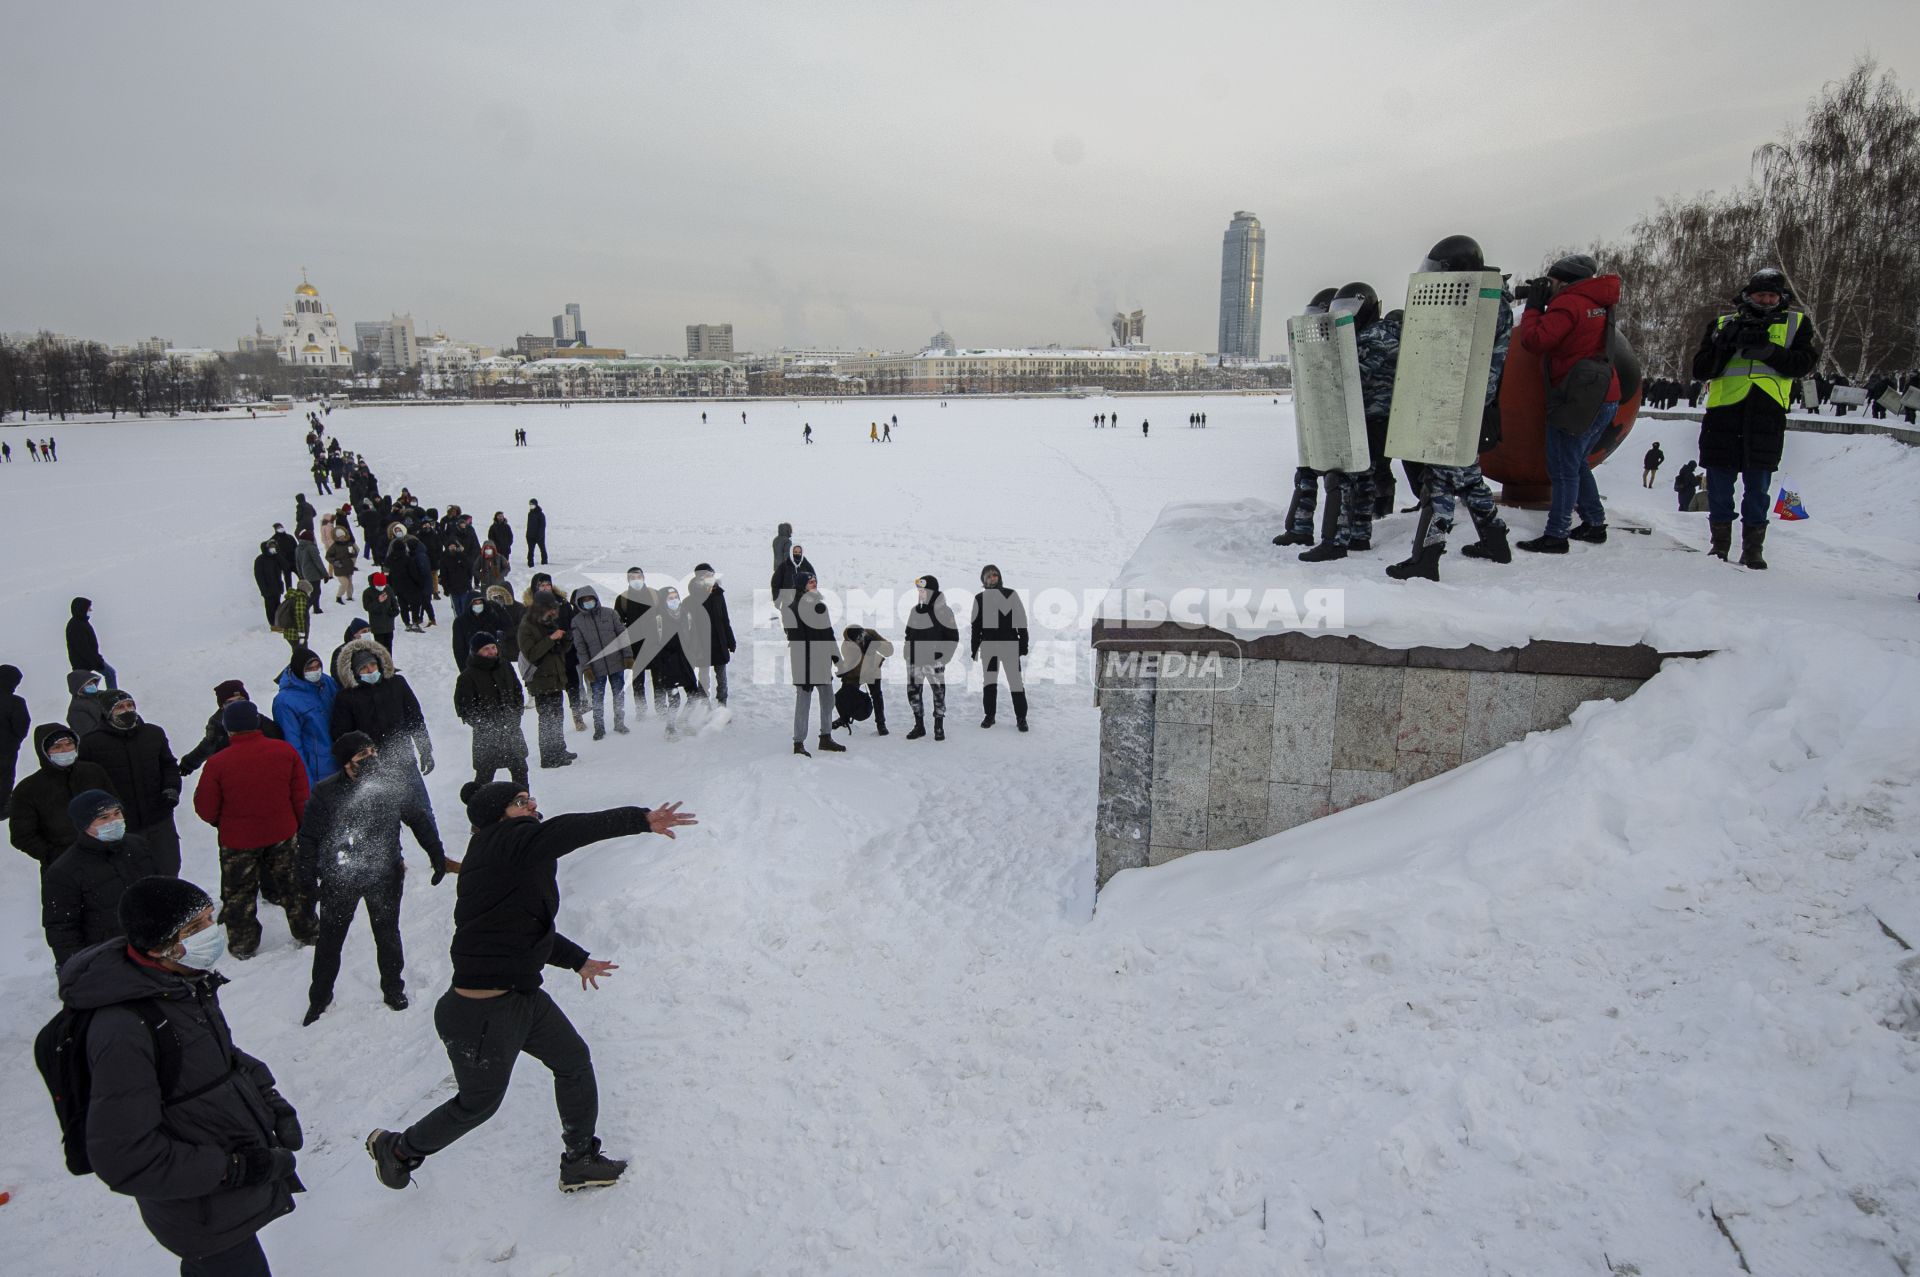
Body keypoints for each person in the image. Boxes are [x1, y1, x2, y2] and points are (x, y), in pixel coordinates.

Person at [365, 783, 697, 1194]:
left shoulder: (503, 859)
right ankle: (398, 1149)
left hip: (521, 997)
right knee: (477, 1104)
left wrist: (577, 959)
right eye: (520, 802)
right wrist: (639, 819)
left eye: (529, 798)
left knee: (573, 1061)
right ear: (499, 817)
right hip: (481, 1015)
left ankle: (579, 1160)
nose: (532, 804)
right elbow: (565, 831)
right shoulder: (506, 841)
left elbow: (523, 929)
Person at [58, 875, 302, 1275]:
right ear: (158, 946)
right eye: (194, 928)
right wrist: (237, 1169)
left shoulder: (179, 982)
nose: (212, 932)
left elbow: (219, 1058)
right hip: (199, 1208)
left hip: (220, 1198)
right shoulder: (123, 1029)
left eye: (209, 918)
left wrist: (272, 1100)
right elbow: (125, 1158)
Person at [299, 732, 452, 1024]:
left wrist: (436, 854)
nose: (371, 758)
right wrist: (307, 882)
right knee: (330, 941)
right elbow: (308, 838)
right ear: (347, 763)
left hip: (385, 874)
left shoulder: (391, 783)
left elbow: (417, 819)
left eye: (373, 751)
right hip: (340, 878)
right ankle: (319, 998)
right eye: (362, 756)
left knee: (387, 934)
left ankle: (393, 988)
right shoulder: (326, 792)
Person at [1390, 236, 1518, 579]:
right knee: (1468, 476)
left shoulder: (1482, 302)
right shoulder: (1486, 299)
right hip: (1466, 399)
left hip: (1462, 400)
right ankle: (1495, 540)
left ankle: (1426, 558)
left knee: (1441, 477)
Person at [1691, 267, 1821, 568]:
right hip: (1724, 414)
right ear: (1748, 295)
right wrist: (1724, 347)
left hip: (1765, 416)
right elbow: (1700, 369)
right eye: (1760, 294)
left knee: (1757, 489)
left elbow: (1803, 363)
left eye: (1771, 295)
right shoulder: (1722, 323)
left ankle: (1753, 550)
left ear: (1781, 297)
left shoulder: (1796, 323)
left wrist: (1767, 351)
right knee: (1720, 486)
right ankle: (1719, 546)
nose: (1765, 300)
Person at [192, 702, 317, 960]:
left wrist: (223, 822)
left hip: (238, 840)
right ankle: (308, 930)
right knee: (293, 885)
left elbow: (205, 807)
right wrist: (296, 823)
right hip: (281, 832)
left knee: (239, 893)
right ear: (258, 722)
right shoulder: (284, 751)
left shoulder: (217, 763)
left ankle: (243, 943)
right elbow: (301, 795)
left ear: (228, 729)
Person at [1514, 252, 1620, 555]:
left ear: (1563, 280)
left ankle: (1556, 534)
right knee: (1576, 462)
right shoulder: (1598, 301)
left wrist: (1534, 307)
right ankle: (1594, 523)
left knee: (1562, 467)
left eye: (1551, 280)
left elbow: (1535, 341)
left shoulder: (1569, 303)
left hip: (1576, 398)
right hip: (1604, 392)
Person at [1299, 283, 1390, 562]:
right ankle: (1359, 536)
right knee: (1363, 479)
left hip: (1369, 418)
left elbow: (1349, 376)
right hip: (1373, 419)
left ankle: (1335, 541)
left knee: (1344, 478)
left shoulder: (1372, 339)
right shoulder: (1373, 335)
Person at [42, 790, 164, 968]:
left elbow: (161, 891)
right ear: (84, 825)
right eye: (104, 818)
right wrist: (78, 970)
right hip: (109, 960)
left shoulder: (138, 846)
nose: (114, 821)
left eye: (117, 813)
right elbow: (62, 930)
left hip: (156, 949)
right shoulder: (64, 872)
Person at [79, 690, 182, 876]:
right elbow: (89, 783)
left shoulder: (153, 733)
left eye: (129, 705)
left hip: (159, 817)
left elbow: (169, 765)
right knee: (132, 876)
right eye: (119, 707)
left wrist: (171, 789)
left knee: (169, 868)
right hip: (122, 824)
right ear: (107, 712)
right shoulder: (91, 743)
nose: (127, 710)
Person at [1273, 287, 1342, 549]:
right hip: (1324, 422)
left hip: (1352, 428)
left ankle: (1342, 538)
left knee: (1339, 481)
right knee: (1306, 471)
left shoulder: (1352, 346)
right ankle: (1299, 529)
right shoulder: (1320, 349)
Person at [11, 724, 116, 873]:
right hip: (63, 867)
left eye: (69, 744)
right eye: (57, 747)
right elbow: (22, 836)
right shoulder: (28, 789)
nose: (65, 750)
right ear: (45, 752)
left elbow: (116, 806)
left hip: (107, 855)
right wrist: (53, 855)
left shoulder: (94, 772)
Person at [330, 640, 434, 783]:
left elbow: (415, 719)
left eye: (373, 665)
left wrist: (425, 749)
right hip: (371, 767)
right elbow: (343, 735)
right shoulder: (347, 697)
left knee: (421, 805)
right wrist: (353, 763)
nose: (370, 670)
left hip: (404, 759)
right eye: (364, 668)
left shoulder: (397, 683)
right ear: (355, 672)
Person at [454, 634, 530, 789]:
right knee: (484, 776)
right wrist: (485, 725)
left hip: (511, 731)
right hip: (486, 737)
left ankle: (525, 806)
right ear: (476, 652)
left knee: (521, 771)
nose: (491, 652)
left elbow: (517, 692)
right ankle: (480, 808)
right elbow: (464, 709)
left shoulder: (506, 666)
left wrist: (515, 715)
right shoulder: (466, 677)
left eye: (493, 647)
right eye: (486, 649)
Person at [783, 573, 843, 756]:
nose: (814, 583)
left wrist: (837, 659)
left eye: (815, 581)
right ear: (802, 585)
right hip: (804, 664)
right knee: (803, 703)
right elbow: (797, 642)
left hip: (821, 661)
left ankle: (825, 738)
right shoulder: (792, 608)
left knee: (828, 700)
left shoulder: (820, 606)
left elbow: (828, 635)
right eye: (810, 582)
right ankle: (798, 743)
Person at [517, 592, 576, 769]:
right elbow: (532, 654)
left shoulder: (548, 622)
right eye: (550, 609)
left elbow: (559, 650)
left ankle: (559, 750)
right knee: (547, 720)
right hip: (540, 681)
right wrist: (551, 639)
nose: (553, 612)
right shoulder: (527, 626)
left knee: (557, 717)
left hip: (556, 677)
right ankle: (548, 756)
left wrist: (565, 640)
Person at [969, 564, 1030, 731]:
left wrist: (1023, 644)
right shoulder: (979, 599)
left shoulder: (1011, 594)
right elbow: (976, 626)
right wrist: (974, 649)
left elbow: (1021, 621)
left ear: (999, 576)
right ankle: (989, 716)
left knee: (1016, 683)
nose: (992, 578)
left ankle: (1021, 718)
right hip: (988, 647)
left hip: (1010, 646)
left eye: (994, 575)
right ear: (983, 580)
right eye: (988, 576)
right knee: (989, 683)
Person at [181, 681, 285, 777]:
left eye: (241, 700)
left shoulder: (260, 721)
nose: (237, 706)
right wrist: (189, 763)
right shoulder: (217, 723)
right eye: (230, 703)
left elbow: (280, 745)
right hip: (229, 772)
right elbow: (207, 746)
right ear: (222, 707)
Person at [903, 574, 958, 741]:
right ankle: (919, 726)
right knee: (913, 693)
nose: (921, 594)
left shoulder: (945, 611)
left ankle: (938, 726)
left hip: (934, 662)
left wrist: (943, 658)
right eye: (919, 591)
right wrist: (907, 652)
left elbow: (953, 637)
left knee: (939, 693)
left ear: (932, 591)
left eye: (924, 591)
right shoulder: (915, 610)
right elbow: (908, 633)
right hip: (914, 660)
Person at [273, 648, 339, 787]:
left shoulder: (326, 682)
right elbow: (293, 745)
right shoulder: (285, 702)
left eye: (317, 666)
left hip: (339, 760)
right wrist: (305, 783)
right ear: (299, 669)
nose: (315, 671)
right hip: (317, 771)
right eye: (310, 668)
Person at [569, 585, 628, 739]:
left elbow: (623, 635)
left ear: (596, 598)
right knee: (597, 698)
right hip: (595, 667)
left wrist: (627, 656)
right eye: (584, 600)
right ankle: (599, 727)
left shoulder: (610, 613)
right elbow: (580, 647)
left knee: (619, 694)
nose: (588, 602)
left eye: (590, 599)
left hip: (616, 662)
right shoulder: (577, 621)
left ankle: (619, 722)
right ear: (579, 603)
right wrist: (586, 667)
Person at [650, 587, 704, 738]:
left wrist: (695, 652)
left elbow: (693, 634)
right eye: (670, 598)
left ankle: (684, 720)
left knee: (694, 694)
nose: (674, 600)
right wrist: (660, 663)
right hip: (668, 664)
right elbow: (652, 644)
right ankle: (670, 727)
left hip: (685, 661)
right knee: (674, 698)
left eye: (675, 597)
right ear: (663, 600)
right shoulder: (657, 618)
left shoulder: (685, 614)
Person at [688, 563, 735, 705]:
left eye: (710, 574)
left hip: (719, 641)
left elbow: (725, 619)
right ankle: (704, 706)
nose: (708, 577)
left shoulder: (719, 594)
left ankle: (722, 705)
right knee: (703, 677)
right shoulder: (694, 597)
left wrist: (730, 640)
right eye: (704, 575)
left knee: (721, 678)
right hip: (702, 644)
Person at [833, 625, 894, 735]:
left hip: (873, 670)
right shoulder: (846, 647)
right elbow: (856, 665)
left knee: (877, 695)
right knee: (845, 694)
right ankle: (844, 718)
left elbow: (889, 651)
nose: (862, 639)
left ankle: (881, 723)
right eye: (858, 639)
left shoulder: (871, 633)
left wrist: (877, 644)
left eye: (863, 636)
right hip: (855, 673)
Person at [452, 588, 512, 675]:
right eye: (475, 603)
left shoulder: (489, 617)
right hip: (473, 664)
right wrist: (464, 670)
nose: (478, 605)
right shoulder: (460, 622)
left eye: (480, 602)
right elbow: (459, 649)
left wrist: (500, 609)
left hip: (492, 662)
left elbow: (507, 626)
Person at [67, 597, 117, 689]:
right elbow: (83, 649)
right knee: (109, 674)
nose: (90, 610)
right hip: (84, 663)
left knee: (90, 686)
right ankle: (113, 698)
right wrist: (97, 661)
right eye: (88, 608)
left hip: (90, 661)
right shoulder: (76, 626)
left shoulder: (82, 622)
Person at [1, 663, 26, 819]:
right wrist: (16, 740)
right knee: (5, 776)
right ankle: (2, 806)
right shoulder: (16, 702)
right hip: (6, 748)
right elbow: (22, 725)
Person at [361, 572, 401, 658]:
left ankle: (390, 665)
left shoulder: (388, 589)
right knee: (380, 648)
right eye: (379, 585)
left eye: (383, 585)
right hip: (377, 626)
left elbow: (395, 605)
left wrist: (393, 613)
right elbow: (367, 607)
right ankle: (381, 666)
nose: (381, 587)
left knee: (389, 646)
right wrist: (378, 601)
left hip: (389, 625)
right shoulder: (367, 592)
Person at [67, 669, 112, 740]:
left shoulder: (103, 696)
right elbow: (91, 734)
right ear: (79, 687)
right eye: (88, 684)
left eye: (93, 682)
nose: (92, 685)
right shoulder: (77, 709)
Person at [273, 582, 312, 652]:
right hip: (296, 634)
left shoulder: (292, 596)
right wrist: (302, 634)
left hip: (288, 632)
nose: (309, 594)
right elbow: (300, 617)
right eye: (309, 591)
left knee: (297, 652)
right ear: (305, 590)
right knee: (302, 653)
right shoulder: (300, 599)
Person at [252, 541, 284, 628]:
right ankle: (273, 624)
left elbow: (284, 566)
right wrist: (264, 589)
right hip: (267, 589)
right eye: (271, 547)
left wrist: (278, 555)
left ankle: (279, 623)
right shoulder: (260, 560)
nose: (273, 549)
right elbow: (259, 576)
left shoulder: (275, 558)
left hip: (277, 588)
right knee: (270, 607)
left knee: (278, 606)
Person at [326, 525, 358, 604]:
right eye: (340, 537)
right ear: (336, 538)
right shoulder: (334, 546)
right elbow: (328, 556)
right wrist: (334, 562)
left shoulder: (349, 544)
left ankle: (349, 597)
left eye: (343, 537)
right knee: (345, 583)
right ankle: (339, 597)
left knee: (350, 582)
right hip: (339, 568)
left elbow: (354, 554)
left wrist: (353, 553)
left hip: (348, 567)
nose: (342, 539)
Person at [525, 498, 548, 567]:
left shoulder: (540, 514)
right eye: (530, 504)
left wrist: (540, 536)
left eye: (532, 504)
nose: (531, 506)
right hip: (530, 536)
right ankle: (530, 563)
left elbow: (542, 526)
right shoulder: (530, 514)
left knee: (542, 549)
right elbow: (528, 525)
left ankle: (544, 562)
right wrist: (527, 535)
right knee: (530, 550)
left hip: (539, 536)